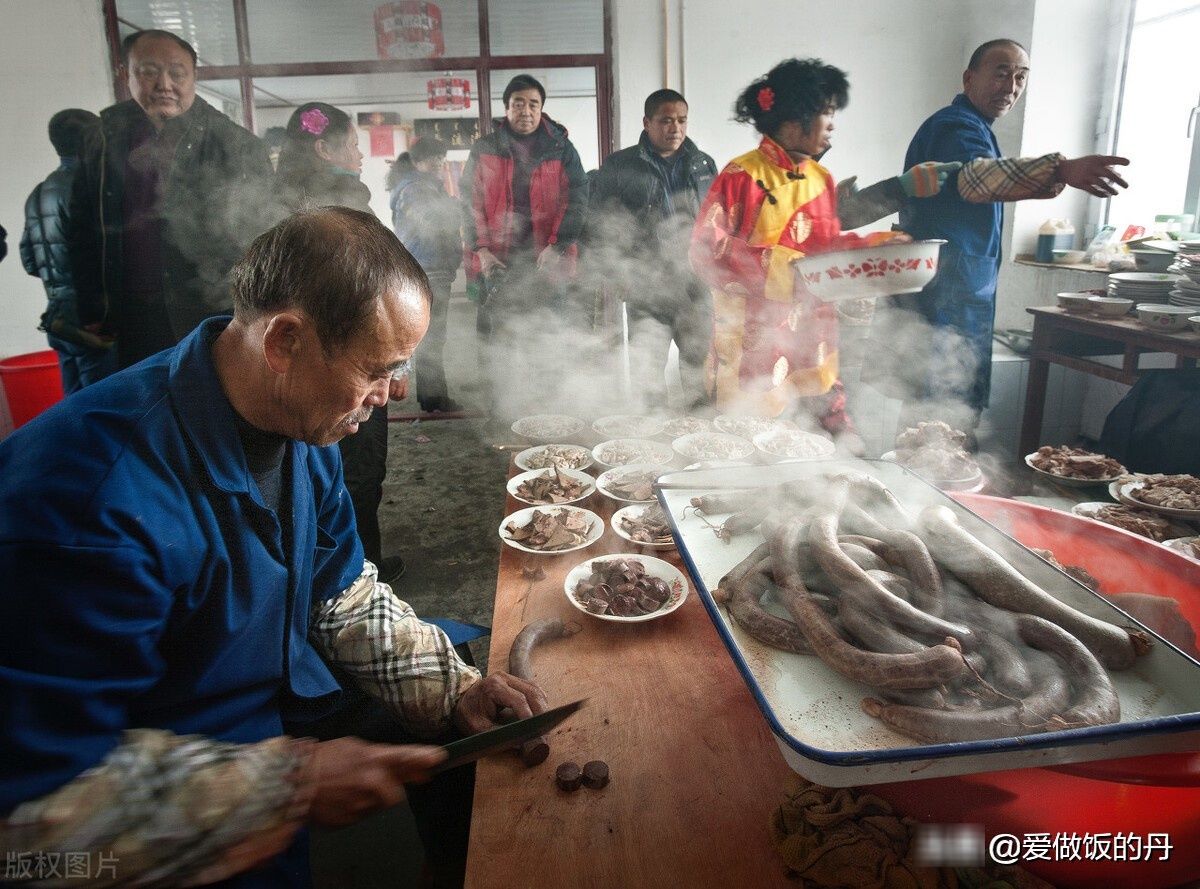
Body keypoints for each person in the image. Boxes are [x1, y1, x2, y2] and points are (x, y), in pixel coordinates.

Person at [0, 207, 547, 888]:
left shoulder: (297, 424)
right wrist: (279, 786)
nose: (393, 392)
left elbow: (339, 594)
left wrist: (452, 692)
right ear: (286, 340)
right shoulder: (91, 503)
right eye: (379, 368)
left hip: (266, 742)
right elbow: (33, 818)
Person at [689, 58, 957, 447]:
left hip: (814, 335)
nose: (832, 125)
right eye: (826, 114)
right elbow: (705, 250)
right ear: (793, 121)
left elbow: (827, 247)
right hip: (756, 340)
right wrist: (786, 267)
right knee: (751, 448)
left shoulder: (820, 177)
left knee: (820, 448)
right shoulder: (741, 176)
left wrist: (881, 247)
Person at [871, 38, 1129, 436]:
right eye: (1001, 72)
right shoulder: (954, 127)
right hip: (941, 302)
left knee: (946, 420)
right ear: (969, 77)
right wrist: (1059, 170)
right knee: (937, 422)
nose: (1011, 86)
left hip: (960, 300)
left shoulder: (977, 129)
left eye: (1021, 76)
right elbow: (976, 179)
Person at [68, 29, 272, 369]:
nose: (164, 84)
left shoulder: (234, 144)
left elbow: (263, 238)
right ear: (126, 74)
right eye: (149, 71)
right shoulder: (103, 137)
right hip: (132, 314)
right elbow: (81, 230)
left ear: (195, 76)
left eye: (177, 73)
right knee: (140, 408)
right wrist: (91, 306)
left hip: (212, 314)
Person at [271, 102, 401, 583]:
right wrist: (394, 367)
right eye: (352, 144)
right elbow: (376, 289)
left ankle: (313, 571)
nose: (361, 155)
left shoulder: (272, 196)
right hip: (351, 361)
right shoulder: (345, 200)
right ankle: (362, 576)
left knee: (307, 470)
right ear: (325, 148)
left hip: (292, 361)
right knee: (359, 473)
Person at [460, 73, 589, 415]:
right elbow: (468, 202)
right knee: (495, 340)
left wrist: (557, 245)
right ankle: (499, 412)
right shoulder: (485, 147)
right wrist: (483, 250)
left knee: (548, 336)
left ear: (542, 108)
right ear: (507, 108)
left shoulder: (561, 148)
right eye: (519, 103)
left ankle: (550, 412)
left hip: (547, 261)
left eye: (533, 104)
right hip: (497, 263)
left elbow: (577, 199)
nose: (526, 111)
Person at [589, 89, 717, 409]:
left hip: (694, 286)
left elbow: (715, 222)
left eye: (681, 120)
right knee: (648, 374)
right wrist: (616, 273)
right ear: (647, 123)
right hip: (645, 284)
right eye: (665, 120)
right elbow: (601, 223)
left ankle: (697, 441)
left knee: (697, 370)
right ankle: (653, 443)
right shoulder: (620, 165)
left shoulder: (703, 164)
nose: (675, 128)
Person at [20, 108, 116, 394]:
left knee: (72, 409)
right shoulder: (92, 189)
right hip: (93, 324)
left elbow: (30, 262)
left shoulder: (38, 192)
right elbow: (100, 257)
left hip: (58, 320)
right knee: (101, 408)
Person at [389, 138, 463, 413]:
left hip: (432, 269)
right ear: (417, 162)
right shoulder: (416, 190)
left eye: (441, 159)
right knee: (431, 338)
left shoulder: (423, 187)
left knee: (433, 337)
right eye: (432, 158)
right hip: (427, 270)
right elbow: (432, 225)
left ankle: (432, 397)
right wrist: (458, 210)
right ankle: (434, 399)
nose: (438, 164)